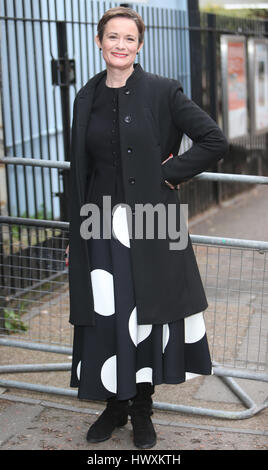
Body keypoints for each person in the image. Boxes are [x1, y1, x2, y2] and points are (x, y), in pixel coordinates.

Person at [66, 6, 229, 449]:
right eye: (112, 37)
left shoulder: (162, 91)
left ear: (140, 45)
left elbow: (214, 139)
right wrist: (73, 237)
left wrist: (169, 174)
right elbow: (77, 171)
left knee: (145, 316)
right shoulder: (85, 97)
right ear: (98, 41)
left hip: (152, 222)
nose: (120, 45)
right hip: (98, 224)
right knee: (108, 315)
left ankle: (141, 409)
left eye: (129, 38)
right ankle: (114, 404)